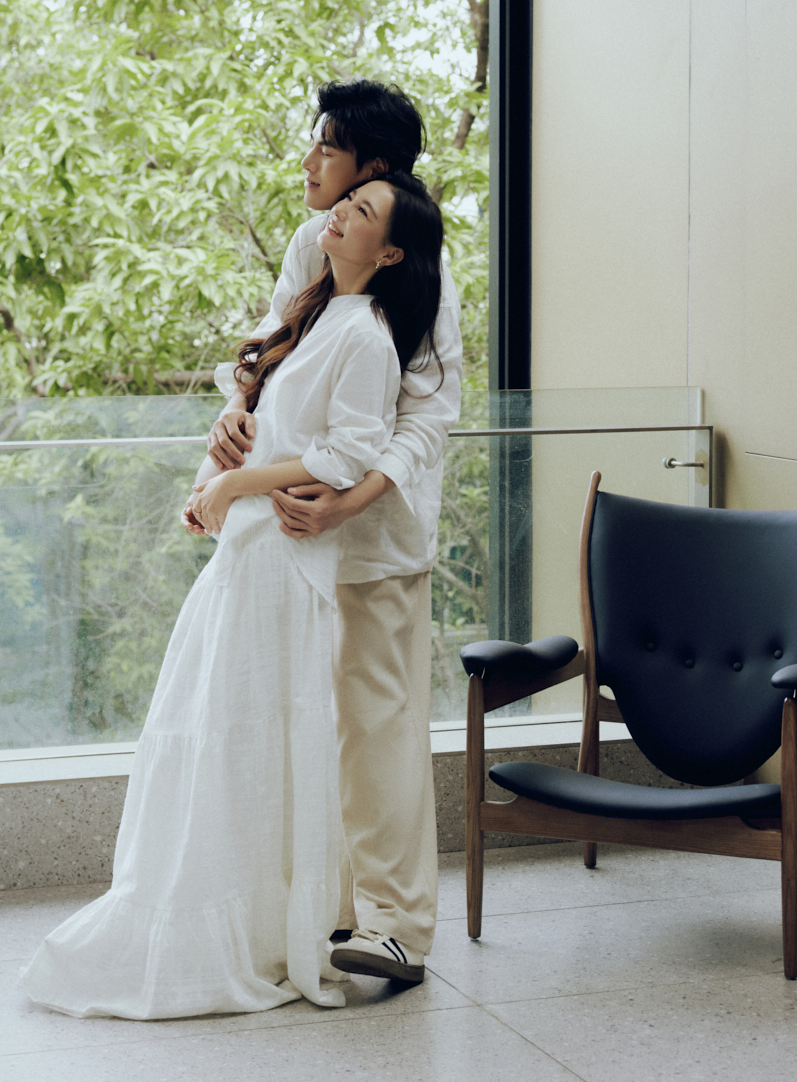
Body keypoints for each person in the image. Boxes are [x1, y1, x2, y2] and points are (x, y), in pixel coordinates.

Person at [20, 170, 445, 1020]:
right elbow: (267, 420)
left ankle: (255, 929)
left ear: (391, 251)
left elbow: (347, 454)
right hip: (251, 552)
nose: (337, 209)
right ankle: (227, 912)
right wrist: (213, 478)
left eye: (360, 208)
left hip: (284, 560)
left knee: (249, 734)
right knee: (217, 730)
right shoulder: (314, 311)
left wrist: (236, 486)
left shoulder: (368, 335)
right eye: (345, 201)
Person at [206, 79, 463, 985]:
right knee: (301, 721)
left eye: (328, 147)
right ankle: (326, 907)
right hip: (293, 536)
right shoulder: (311, 242)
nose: (311, 160)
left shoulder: (418, 268)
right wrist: (235, 410)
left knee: (375, 724)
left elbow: (430, 414)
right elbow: (276, 349)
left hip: (373, 540)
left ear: (374, 167)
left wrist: (352, 500)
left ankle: (397, 927)